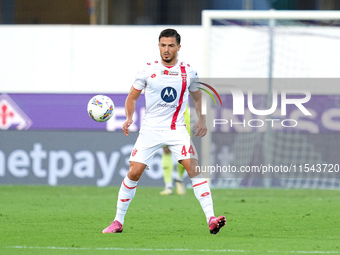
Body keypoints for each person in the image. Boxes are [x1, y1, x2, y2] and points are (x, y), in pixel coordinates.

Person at [102, 28, 226, 234]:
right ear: (158, 46)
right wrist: (130, 117)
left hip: (176, 129)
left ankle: (211, 218)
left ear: (178, 47)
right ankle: (118, 222)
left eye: (170, 45)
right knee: (134, 172)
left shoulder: (188, 71)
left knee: (193, 168)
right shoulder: (147, 70)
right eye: (162, 45)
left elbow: (197, 97)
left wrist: (202, 118)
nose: (166, 49)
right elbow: (131, 98)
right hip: (150, 130)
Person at [160, 104, 190, 196]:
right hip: (166, 116)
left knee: (184, 151)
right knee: (166, 149)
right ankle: (168, 186)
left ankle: (179, 179)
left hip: (182, 116)